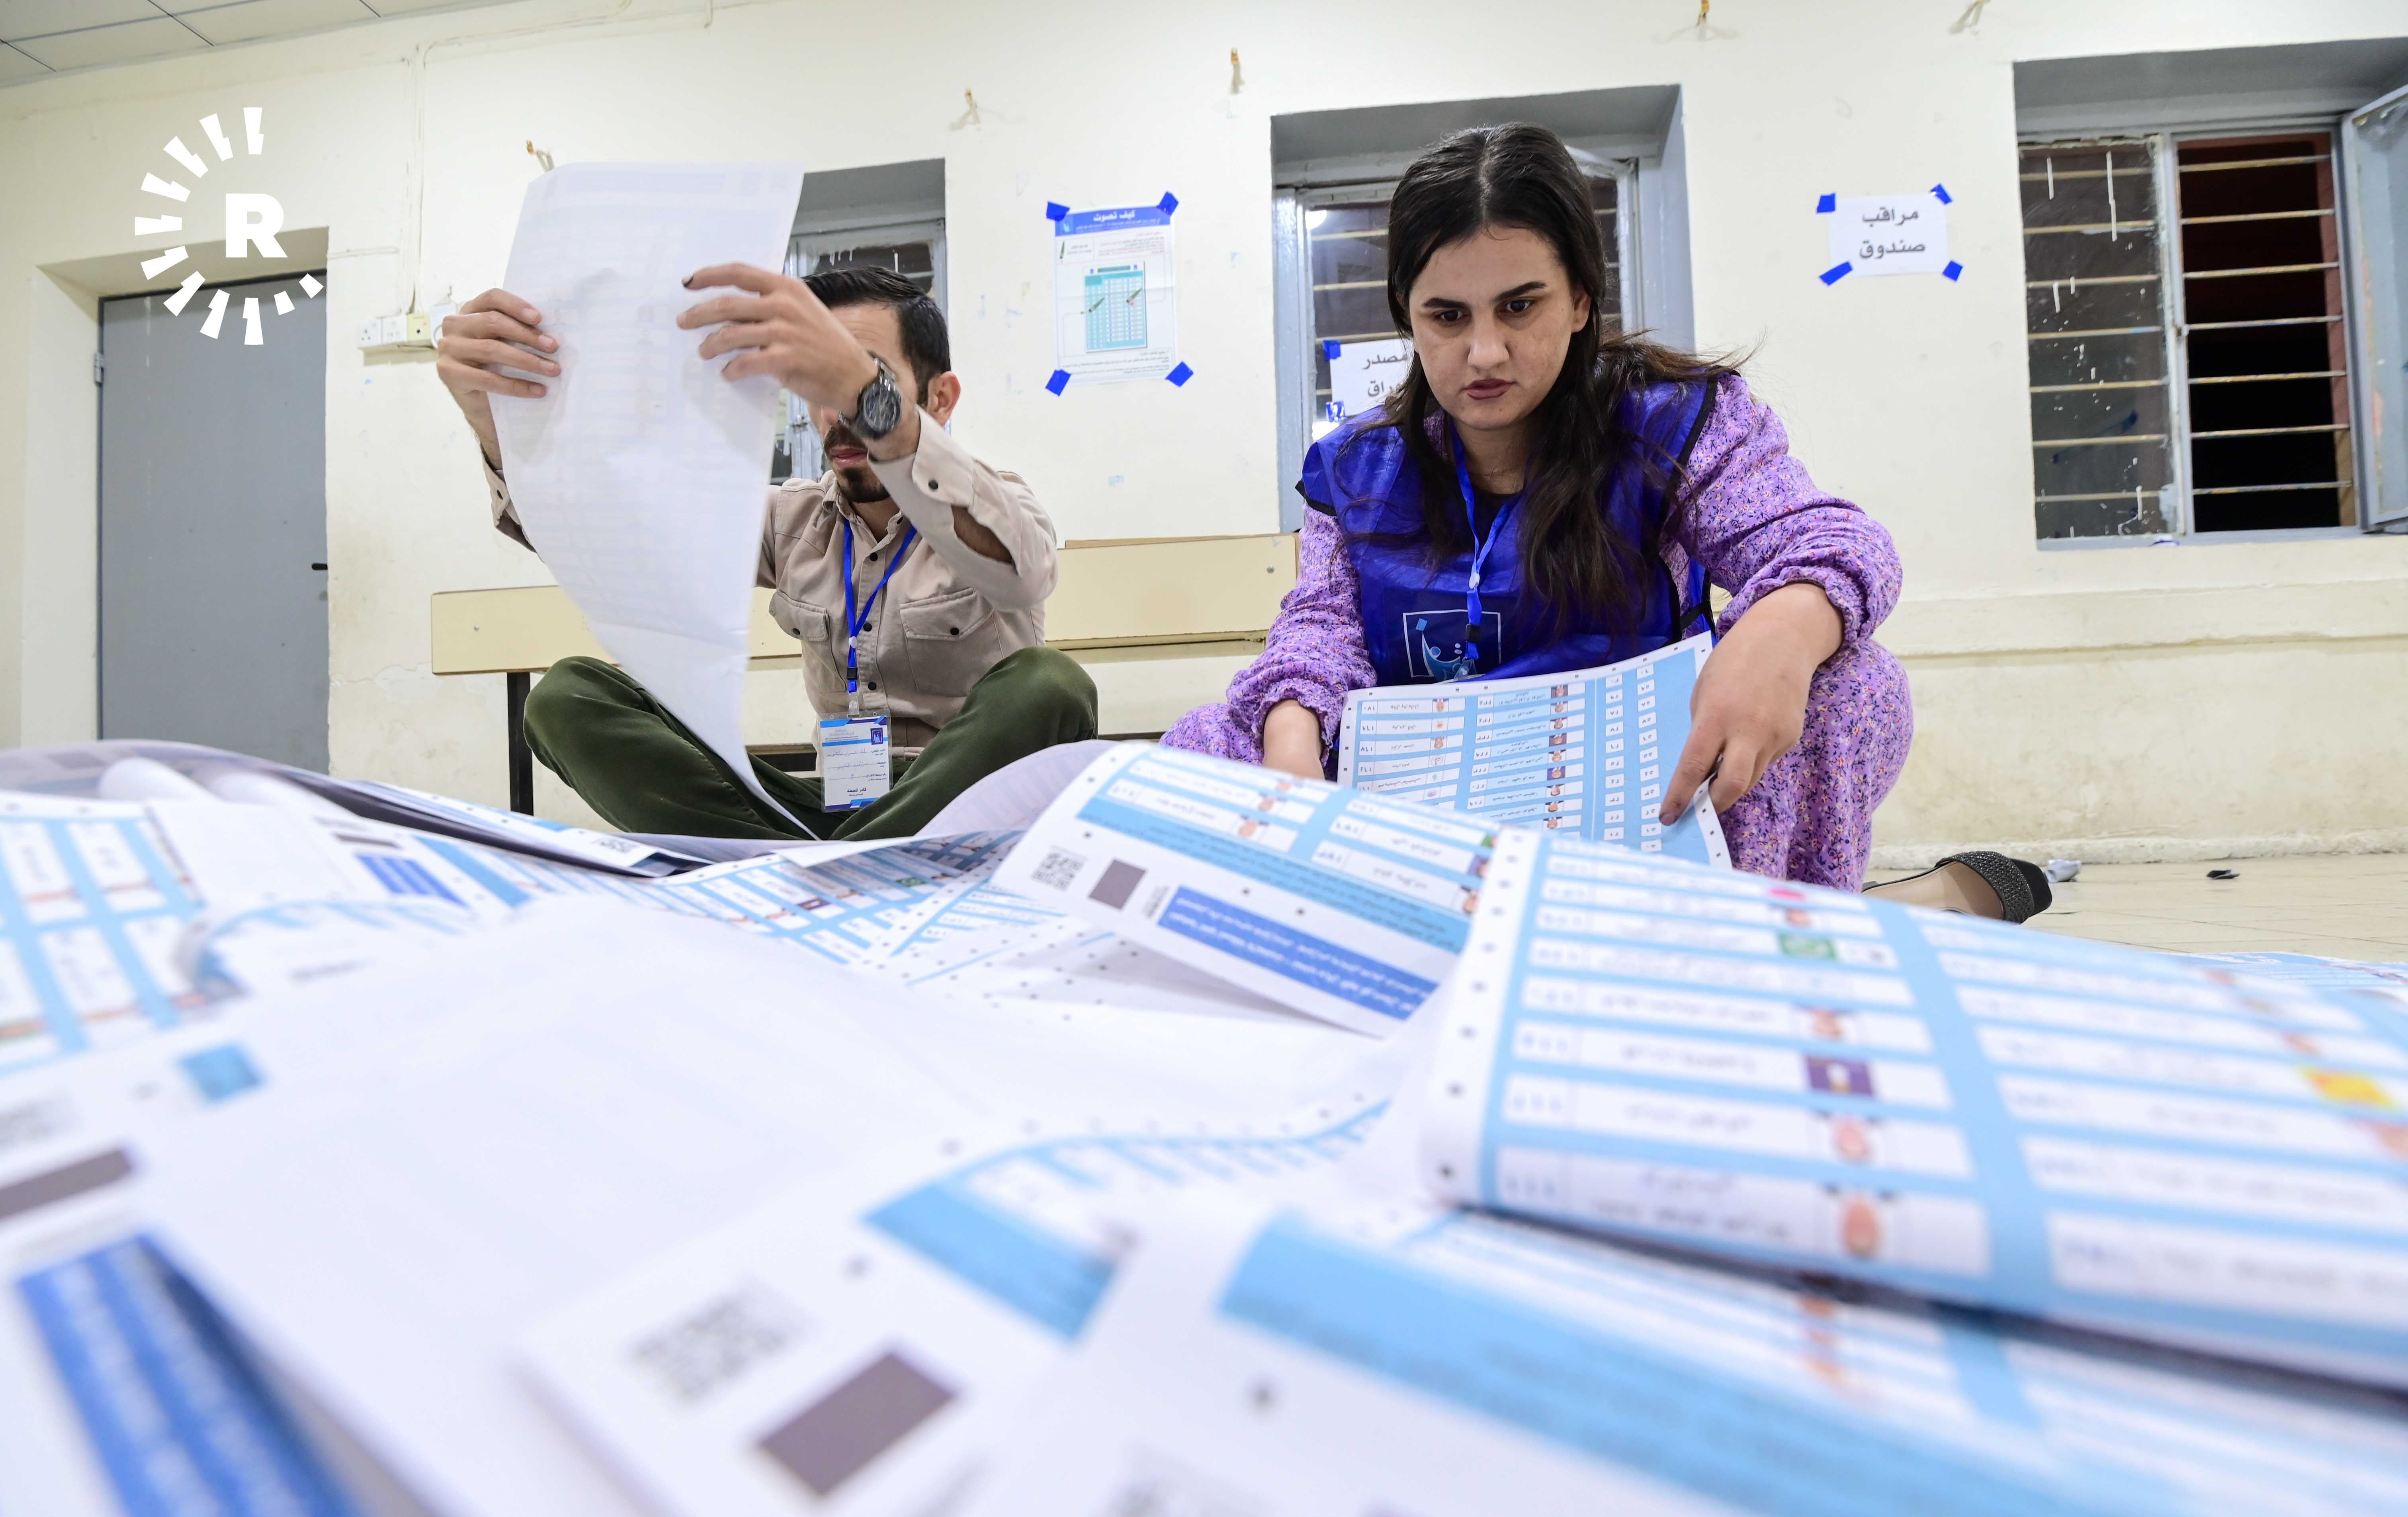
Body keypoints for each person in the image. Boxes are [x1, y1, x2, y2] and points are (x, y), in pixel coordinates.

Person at [1161, 124, 2044, 919]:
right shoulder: (1355, 469)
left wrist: (1782, 626)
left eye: (1521, 305)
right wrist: (1291, 746)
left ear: (1582, 300)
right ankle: (1895, 911)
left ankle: (1775, 932)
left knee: (1854, 681)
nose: (1485, 352)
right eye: (1446, 316)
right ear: (1407, 318)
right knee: (1205, 743)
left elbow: (1828, 541)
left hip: (1634, 795)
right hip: (1427, 796)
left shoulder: (1676, 421)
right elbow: (1319, 628)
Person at [436, 264, 1097, 840]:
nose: (838, 411)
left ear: (941, 397)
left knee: (1052, 685)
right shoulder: (791, 519)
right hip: (827, 812)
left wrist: (873, 403)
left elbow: (1026, 572)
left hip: (968, 809)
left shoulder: (995, 503)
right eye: (821, 384)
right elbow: (616, 544)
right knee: (567, 698)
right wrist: (498, 429)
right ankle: (826, 866)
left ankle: (817, 874)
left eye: (863, 378)